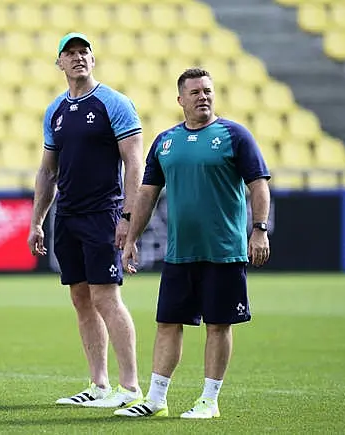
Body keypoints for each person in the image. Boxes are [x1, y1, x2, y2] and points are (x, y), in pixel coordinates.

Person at [114, 68, 271, 419]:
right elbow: (147, 194)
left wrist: (259, 229)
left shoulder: (235, 135)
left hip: (224, 251)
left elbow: (258, 184)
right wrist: (131, 239)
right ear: (180, 99)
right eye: (196, 92)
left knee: (218, 324)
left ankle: (209, 400)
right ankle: (155, 400)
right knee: (168, 322)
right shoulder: (166, 141)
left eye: (208, 90)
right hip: (179, 253)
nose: (203, 96)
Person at [27, 32, 145, 408]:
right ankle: (98, 385)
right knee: (81, 299)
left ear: (93, 60)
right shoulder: (55, 111)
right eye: (70, 53)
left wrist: (128, 217)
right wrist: (37, 220)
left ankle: (130, 388)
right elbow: (48, 172)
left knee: (106, 297)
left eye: (84, 52)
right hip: (69, 214)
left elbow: (134, 163)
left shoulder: (115, 103)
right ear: (58, 62)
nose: (78, 58)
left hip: (103, 213)